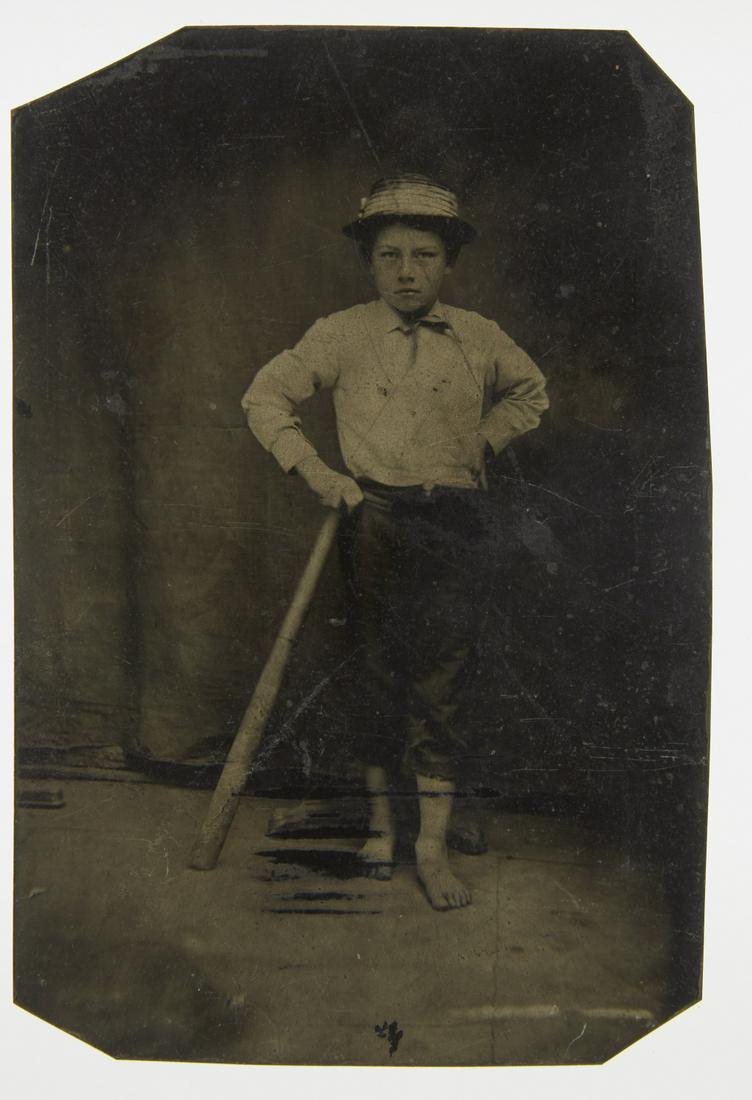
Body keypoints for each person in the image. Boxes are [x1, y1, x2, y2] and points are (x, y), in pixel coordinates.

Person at [242, 175, 548, 910]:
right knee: (376, 673)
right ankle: (381, 828)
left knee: (443, 681)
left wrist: (481, 441)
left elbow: (532, 393)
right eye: (389, 256)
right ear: (369, 262)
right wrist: (319, 473)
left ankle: (431, 848)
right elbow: (264, 397)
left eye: (423, 255)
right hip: (372, 522)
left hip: (456, 529)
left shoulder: (479, 337)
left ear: (448, 263)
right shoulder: (342, 332)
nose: (407, 272)